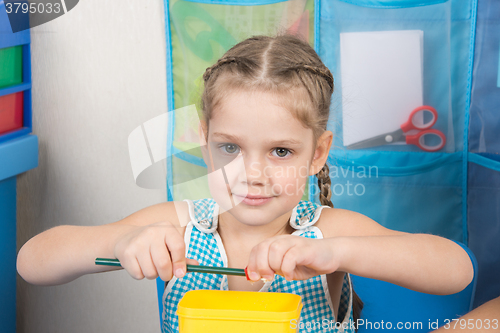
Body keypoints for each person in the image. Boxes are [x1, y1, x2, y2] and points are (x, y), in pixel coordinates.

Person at [17, 34, 474, 333]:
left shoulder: (325, 232)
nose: (252, 174)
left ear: (317, 153)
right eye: (231, 148)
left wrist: (339, 253)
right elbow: (31, 261)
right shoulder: (178, 225)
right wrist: (122, 242)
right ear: (204, 141)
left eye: (280, 151)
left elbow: (456, 270)